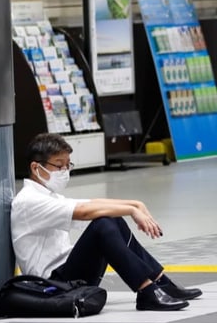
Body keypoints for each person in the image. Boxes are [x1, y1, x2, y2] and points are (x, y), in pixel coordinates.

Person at [11, 133, 201, 312]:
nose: (64, 171)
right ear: (36, 168)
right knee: (102, 224)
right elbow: (85, 212)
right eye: (59, 165)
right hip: (51, 285)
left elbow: (91, 204)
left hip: (67, 276)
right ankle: (146, 291)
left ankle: (161, 283)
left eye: (68, 165)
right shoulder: (29, 201)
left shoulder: (48, 196)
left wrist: (135, 204)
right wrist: (132, 210)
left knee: (112, 218)